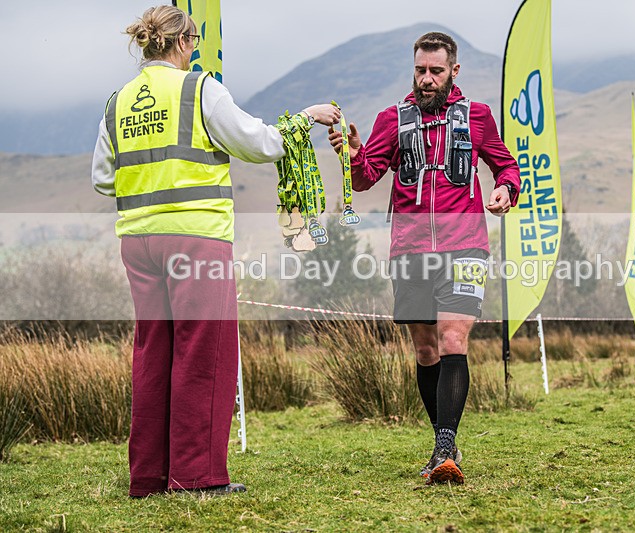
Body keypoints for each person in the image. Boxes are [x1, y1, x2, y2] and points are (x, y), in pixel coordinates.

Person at [91, 5, 340, 498]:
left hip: (137, 240)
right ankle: (197, 477)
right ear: (184, 42)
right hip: (197, 237)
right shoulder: (199, 89)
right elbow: (260, 143)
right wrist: (305, 118)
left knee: (153, 352)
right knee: (204, 352)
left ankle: (148, 477)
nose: (197, 51)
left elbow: (102, 178)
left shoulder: (116, 101)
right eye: (195, 43)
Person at [329, 32, 520, 484]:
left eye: (436, 70)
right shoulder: (391, 119)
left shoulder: (477, 116)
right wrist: (354, 156)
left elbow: (506, 165)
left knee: (453, 338)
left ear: (454, 71)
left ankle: (443, 448)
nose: (427, 79)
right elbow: (365, 178)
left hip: (465, 245)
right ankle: (444, 446)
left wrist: (505, 189)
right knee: (425, 348)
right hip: (410, 250)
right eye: (420, 70)